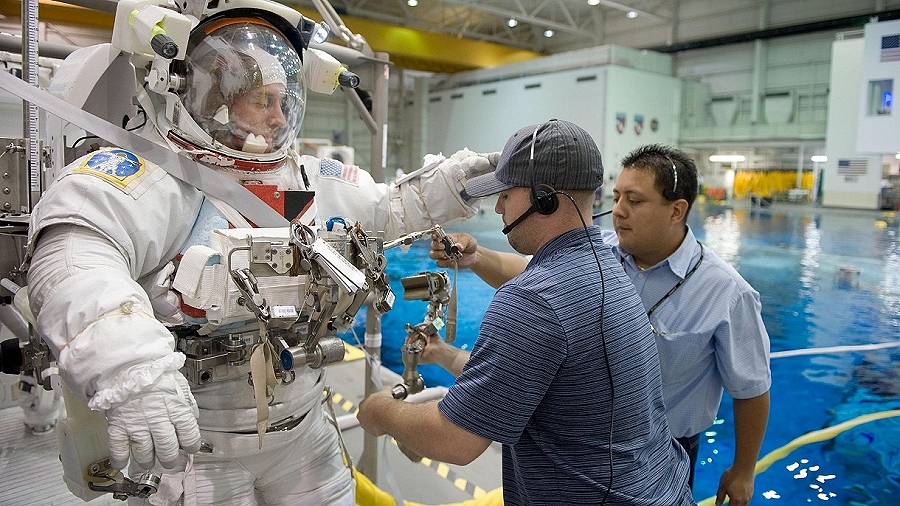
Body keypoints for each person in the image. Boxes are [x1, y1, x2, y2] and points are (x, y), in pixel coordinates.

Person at [22, 2, 496, 505]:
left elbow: (392, 209)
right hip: (199, 446)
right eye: (259, 101)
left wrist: (471, 178)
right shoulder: (156, 177)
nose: (277, 116)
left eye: (282, 99)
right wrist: (131, 368)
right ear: (206, 98)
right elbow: (74, 255)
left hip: (306, 432)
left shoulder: (306, 181)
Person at [357, 119, 694, 505]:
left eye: (506, 194)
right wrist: (445, 354)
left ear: (543, 198)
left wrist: (381, 411)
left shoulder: (532, 300)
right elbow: (540, 385)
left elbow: (455, 440)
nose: (498, 206)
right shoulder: (608, 268)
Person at [428, 143, 771, 506]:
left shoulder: (727, 294)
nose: (619, 211)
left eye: (635, 201)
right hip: (580, 442)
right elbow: (531, 273)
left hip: (663, 448)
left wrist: (743, 469)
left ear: (677, 210)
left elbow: (752, 388)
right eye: (617, 196)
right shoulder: (601, 251)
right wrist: (476, 256)